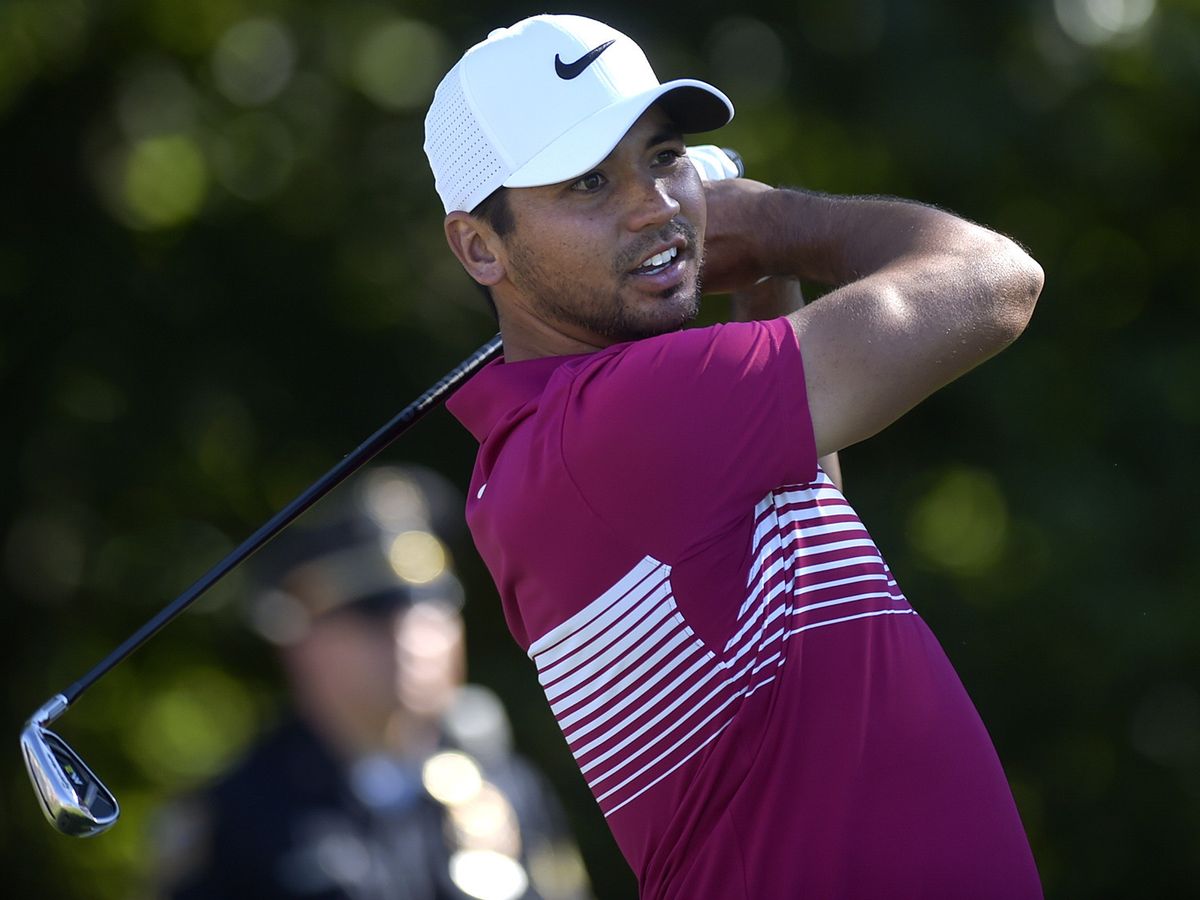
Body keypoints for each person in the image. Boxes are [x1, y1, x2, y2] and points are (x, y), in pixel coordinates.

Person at [423, 13, 1045, 900]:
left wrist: (757, 279)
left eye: (665, 157)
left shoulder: (555, 442)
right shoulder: (628, 414)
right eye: (590, 182)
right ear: (481, 247)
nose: (655, 205)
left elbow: (797, 523)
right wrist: (777, 224)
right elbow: (996, 281)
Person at [152, 465, 591, 900]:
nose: (411, 639)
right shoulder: (239, 815)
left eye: (431, 609)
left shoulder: (509, 788)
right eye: (374, 617)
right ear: (303, 642)